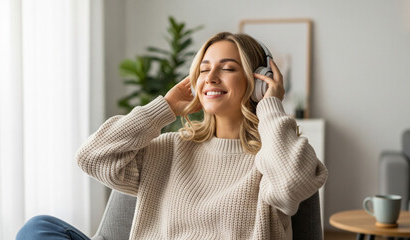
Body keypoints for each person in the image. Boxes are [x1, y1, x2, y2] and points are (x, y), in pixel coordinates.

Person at [17, 32, 328, 240]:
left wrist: (271, 105)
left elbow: (291, 186)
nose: (211, 77)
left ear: (258, 81)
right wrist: (164, 108)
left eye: (228, 68)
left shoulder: (275, 159)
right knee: (39, 228)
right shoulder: (168, 148)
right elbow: (91, 157)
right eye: (204, 69)